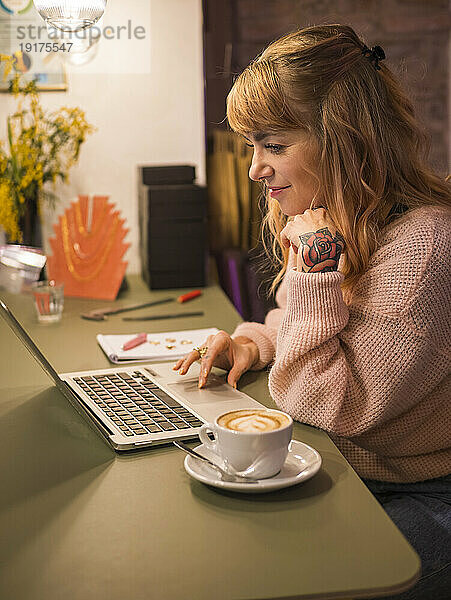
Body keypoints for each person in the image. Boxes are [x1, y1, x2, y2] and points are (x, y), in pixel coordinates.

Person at [173, 24, 451, 599]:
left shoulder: (421, 245)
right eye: (253, 146)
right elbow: (302, 326)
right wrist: (253, 341)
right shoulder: (338, 219)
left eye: (274, 145)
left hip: (425, 491)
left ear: (344, 141)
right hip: (356, 472)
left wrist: (313, 273)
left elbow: (329, 401)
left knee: (286, 578)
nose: (255, 170)